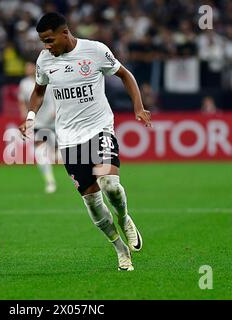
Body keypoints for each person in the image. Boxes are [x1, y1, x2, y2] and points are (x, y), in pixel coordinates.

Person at [19, 13, 152, 271]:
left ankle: (124, 218)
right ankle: (120, 250)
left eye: (49, 40)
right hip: (69, 140)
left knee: (110, 184)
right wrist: (30, 116)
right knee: (91, 200)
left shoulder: (95, 50)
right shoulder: (45, 60)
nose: (46, 46)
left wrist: (138, 107)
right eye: (42, 41)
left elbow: (125, 75)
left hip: (100, 129)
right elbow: (38, 90)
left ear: (64, 33)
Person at [18, 61, 57, 193]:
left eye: (29, 67)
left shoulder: (48, 80)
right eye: (26, 67)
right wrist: (26, 115)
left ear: (36, 68)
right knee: (40, 153)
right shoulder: (24, 84)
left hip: (54, 122)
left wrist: (57, 111)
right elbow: (22, 101)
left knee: (69, 153)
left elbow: (56, 98)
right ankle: (50, 181)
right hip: (38, 123)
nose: (27, 69)